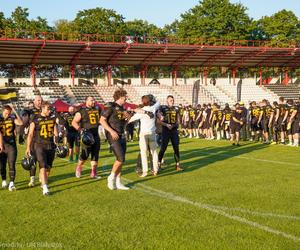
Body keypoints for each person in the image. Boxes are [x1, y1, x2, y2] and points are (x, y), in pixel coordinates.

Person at [100, 89, 132, 190]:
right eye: (125, 96)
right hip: (113, 135)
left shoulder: (122, 108)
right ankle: (111, 177)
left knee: (122, 160)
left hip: (121, 134)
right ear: (121, 97)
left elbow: (124, 122)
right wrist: (111, 131)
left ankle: (118, 182)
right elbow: (102, 120)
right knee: (120, 158)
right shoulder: (111, 105)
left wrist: (128, 117)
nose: (126, 98)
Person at [26, 102, 58, 196]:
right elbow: (30, 134)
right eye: (48, 109)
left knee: (48, 167)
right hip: (39, 145)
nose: (49, 110)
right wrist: (28, 147)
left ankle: (42, 181)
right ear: (42, 109)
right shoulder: (35, 119)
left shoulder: (52, 118)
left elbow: (55, 132)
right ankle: (45, 188)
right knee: (42, 166)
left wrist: (58, 142)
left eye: (50, 109)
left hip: (50, 145)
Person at [128, 95, 160, 177]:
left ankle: (145, 171)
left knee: (143, 152)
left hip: (143, 134)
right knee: (154, 152)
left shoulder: (141, 112)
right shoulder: (153, 108)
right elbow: (158, 103)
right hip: (152, 133)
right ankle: (155, 170)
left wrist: (135, 110)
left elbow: (130, 119)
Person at [72, 97, 101, 179]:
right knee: (85, 155)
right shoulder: (82, 110)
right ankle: (79, 167)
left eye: (94, 100)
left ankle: (93, 173)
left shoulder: (97, 109)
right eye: (91, 100)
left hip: (96, 135)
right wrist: (80, 130)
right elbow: (73, 122)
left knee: (95, 155)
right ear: (86, 101)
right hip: (87, 136)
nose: (93, 101)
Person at [21, 95, 43, 187]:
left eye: (41, 100)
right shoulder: (30, 111)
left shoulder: (44, 110)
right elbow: (24, 123)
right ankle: (32, 179)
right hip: (33, 138)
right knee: (33, 159)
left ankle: (42, 177)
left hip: (43, 138)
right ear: (34, 101)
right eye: (38, 100)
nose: (40, 102)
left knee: (42, 159)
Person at [0, 105, 23, 191]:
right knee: (2, 165)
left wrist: (15, 111)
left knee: (11, 164)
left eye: (9, 113)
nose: (7, 114)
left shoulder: (12, 117)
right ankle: (4, 179)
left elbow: (20, 123)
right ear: (3, 111)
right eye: (6, 113)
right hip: (1, 145)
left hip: (11, 144)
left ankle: (12, 183)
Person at [157, 95, 183, 171]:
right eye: (171, 100)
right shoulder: (162, 108)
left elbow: (178, 121)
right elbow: (159, 121)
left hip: (174, 130)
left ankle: (178, 165)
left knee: (176, 148)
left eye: (173, 100)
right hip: (165, 130)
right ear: (167, 101)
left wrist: (174, 125)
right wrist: (166, 125)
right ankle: (158, 165)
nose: (172, 101)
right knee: (163, 148)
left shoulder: (176, 108)